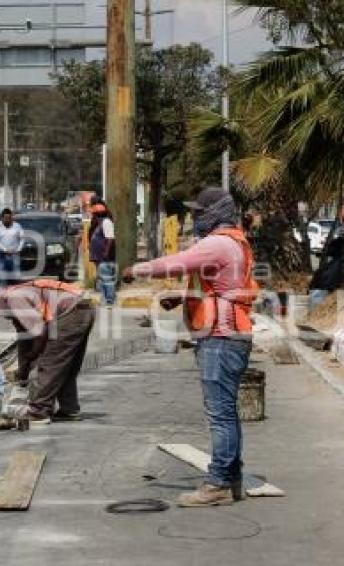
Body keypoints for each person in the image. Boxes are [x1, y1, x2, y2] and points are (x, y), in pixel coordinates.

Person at [123, 186, 258, 508]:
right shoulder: (233, 241)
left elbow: (177, 263)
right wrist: (186, 298)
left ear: (214, 214)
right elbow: (220, 286)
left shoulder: (218, 243)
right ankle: (231, 476)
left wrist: (136, 270)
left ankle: (218, 484)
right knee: (225, 411)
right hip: (228, 333)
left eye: (200, 212)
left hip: (220, 337)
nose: (195, 217)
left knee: (220, 414)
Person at [0, 280, 95, 425]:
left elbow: (39, 333)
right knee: (64, 366)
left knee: (49, 364)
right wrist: (23, 373)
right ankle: (69, 409)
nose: (1, 318)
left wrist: (35, 352)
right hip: (84, 308)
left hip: (71, 313)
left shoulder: (14, 300)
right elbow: (24, 340)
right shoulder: (16, 296)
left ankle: (39, 411)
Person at [89, 202, 117, 306]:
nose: (93, 216)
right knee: (102, 278)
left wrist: (105, 253)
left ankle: (109, 299)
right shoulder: (100, 224)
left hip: (104, 257)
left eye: (94, 214)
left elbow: (110, 239)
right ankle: (105, 299)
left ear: (98, 214)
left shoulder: (106, 223)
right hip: (99, 256)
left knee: (106, 277)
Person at [0, 208, 24, 286]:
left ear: (11, 217)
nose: (7, 220)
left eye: (9, 218)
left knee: (16, 278)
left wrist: (18, 249)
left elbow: (22, 239)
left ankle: (16, 295)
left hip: (15, 254)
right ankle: (3, 294)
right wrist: (5, 250)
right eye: (5, 218)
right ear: (2, 218)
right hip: (2, 255)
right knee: (3, 278)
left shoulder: (17, 226)